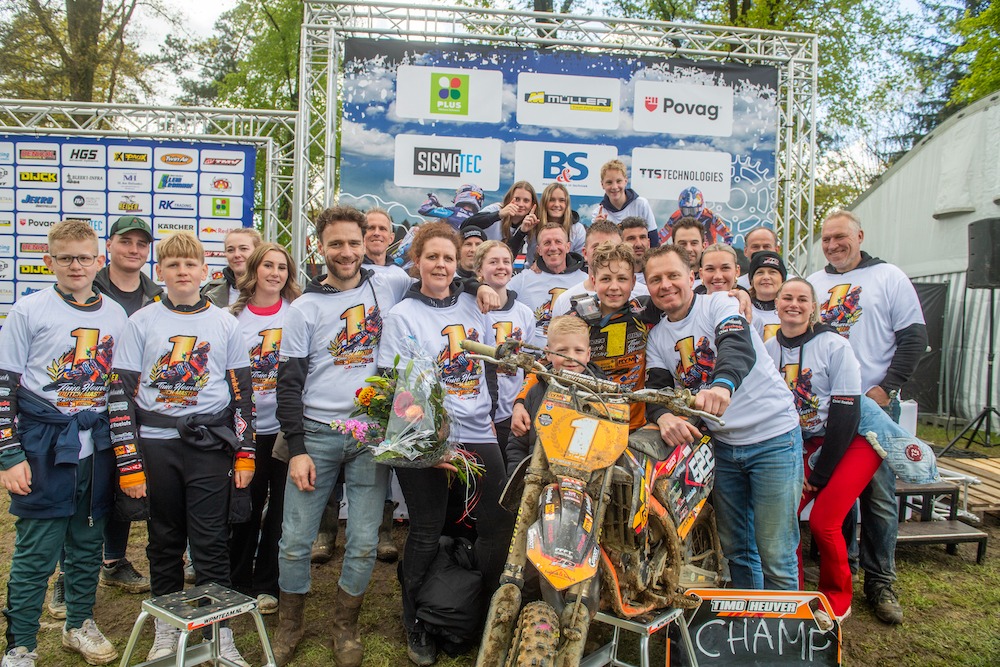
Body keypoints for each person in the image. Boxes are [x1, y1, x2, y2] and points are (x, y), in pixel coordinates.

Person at [272, 205, 412, 667]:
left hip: (369, 433)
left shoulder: (388, 284)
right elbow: (288, 384)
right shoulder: (304, 308)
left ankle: (344, 626)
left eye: (354, 242)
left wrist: (479, 287)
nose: (347, 251)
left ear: (367, 244)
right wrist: (296, 450)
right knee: (296, 540)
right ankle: (290, 624)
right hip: (317, 434)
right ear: (321, 247)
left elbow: (441, 280)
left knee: (365, 540)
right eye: (336, 244)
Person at [110, 232, 255, 666]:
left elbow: (242, 395)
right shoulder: (142, 322)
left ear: (204, 271)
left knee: (211, 542)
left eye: (190, 264)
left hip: (209, 445)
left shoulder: (225, 323)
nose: (182, 272)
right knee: (164, 539)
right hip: (157, 446)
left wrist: (245, 452)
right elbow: (121, 396)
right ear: (160, 272)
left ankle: (219, 633)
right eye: (173, 265)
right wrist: (129, 462)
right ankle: (166, 627)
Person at [379, 223, 512, 666]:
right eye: (432, 257)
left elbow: (487, 365)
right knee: (426, 527)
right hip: (423, 437)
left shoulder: (475, 302)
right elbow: (393, 386)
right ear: (416, 261)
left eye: (448, 258)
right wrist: (429, 447)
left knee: (497, 521)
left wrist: (489, 412)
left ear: (459, 264)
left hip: (476, 430)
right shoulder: (402, 315)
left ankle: (485, 610)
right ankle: (416, 621)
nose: (440, 265)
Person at [0, 220, 127, 667]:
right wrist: (9, 454)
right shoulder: (29, 311)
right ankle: (21, 644)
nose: (76, 266)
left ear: (99, 260)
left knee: (88, 543)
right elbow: (4, 386)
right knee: (37, 550)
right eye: (66, 258)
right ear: (48, 261)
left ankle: (79, 623)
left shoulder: (116, 314)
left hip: (96, 448)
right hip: (44, 446)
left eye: (84, 257)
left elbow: (118, 386)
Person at [643, 244, 802, 591]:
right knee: (737, 548)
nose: (665, 284)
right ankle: (749, 619)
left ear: (692, 277)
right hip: (724, 447)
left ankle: (783, 624)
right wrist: (663, 416)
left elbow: (736, 344)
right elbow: (656, 387)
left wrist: (723, 384)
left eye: (673, 275)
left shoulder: (719, 303)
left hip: (773, 437)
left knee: (775, 550)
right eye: (655, 279)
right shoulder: (657, 337)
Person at [807, 209, 927, 625]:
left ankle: (881, 581)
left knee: (878, 496)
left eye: (840, 236)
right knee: (835, 495)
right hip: (828, 410)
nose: (833, 245)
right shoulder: (815, 283)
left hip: (873, 404)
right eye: (826, 239)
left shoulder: (889, 277)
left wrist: (886, 387)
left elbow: (914, 337)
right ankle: (844, 569)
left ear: (859, 236)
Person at [766, 278, 882, 626]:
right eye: (787, 297)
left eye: (803, 299)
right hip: (806, 442)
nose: (794, 304)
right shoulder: (769, 348)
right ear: (776, 304)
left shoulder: (834, 345)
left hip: (853, 440)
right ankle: (793, 594)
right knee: (782, 517)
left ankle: (836, 600)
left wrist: (819, 475)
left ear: (813, 307)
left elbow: (847, 413)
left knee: (824, 521)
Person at [228, 243, 302, 616]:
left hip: (286, 429)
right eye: (268, 266)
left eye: (282, 268)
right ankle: (237, 580)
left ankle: (267, 584)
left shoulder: (297, 313)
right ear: (254, 269)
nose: (275, 273)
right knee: (246, 504)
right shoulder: (231, 317)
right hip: (247, 431)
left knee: (281, 512)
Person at [90, 216, 161, 599]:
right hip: (91, 405)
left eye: (141, 243)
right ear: (109, 245)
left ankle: (113, 561)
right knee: (91, 492)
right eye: (126, 241)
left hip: (137, 406)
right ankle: (69, 574)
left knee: (128, 484)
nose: (134, 249)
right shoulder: (89, 285)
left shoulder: (157, 295)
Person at [505, 315, 598, 474]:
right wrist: (516, 479)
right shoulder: (536, 391)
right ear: (548, 353)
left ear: (588, 354)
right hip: (536, 476)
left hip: (585, 477)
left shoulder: (601, 394)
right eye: (562, 351)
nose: (571, 358)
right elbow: (517, 444)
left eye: (578, 350)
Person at [474, 240, 536, 455]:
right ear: (479, 270)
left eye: (506, 261)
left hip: (513, 414)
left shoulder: (524, 313)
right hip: (480, 414)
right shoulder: (471, 310)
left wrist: (524, 404)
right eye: (493, 262)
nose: (501, 267)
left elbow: (529, 368)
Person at [508, 223, 587, 349]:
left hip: (573, 354)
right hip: (533, 356)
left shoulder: (585, 280)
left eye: (558, 242)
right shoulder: (523, 280)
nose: (553, 248)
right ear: (539, 250)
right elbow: (497, 296)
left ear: (568, 247)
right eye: (547, 243)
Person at [550, 220, 636, 318]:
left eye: (612, 247)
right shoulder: (564, 301)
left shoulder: (643, 297)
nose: (604, 252)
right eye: (597, 247)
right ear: (585, 253)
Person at [592, 159, 659, 247]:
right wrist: (598, 230)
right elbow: (596, 249)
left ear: (625, 181)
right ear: (602, 184)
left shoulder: (641, 204)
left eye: (618, 181)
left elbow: (653, 241)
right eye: (609, 182)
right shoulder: (598, 213)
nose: (614, 187)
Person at [202, 228, 263, 307]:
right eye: (230, 250)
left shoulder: (271, 289)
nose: (236, 255)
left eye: (243, 249)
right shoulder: (210, 290)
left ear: (258, 252)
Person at [662, 186, 733, 245]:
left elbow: (727, 234)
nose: (689, 215)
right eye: (686, 211)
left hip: (707, 253)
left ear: (700, 208)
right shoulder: (675, 217)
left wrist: (722, 250)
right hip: (683, 253)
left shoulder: (710, 216)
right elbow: (661, 236)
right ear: (681, 209)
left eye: (693, 211)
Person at [536, 183, 585, 254]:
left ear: (567, 204)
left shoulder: (577, 229)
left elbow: (580, 258)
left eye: (561, 200)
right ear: (544, 202)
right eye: (551, 200)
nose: (556, 204)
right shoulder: (534, 226)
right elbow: (531, 257)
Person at [748, 251, 786, 342]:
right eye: (760, 272)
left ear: (782, 280)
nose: (766, 277)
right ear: (752, 280)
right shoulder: (743, 309)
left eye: (772, 272)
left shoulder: (791, 310)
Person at [418, 184, 484, 231]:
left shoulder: (453, 211)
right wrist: (439, 205)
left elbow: (423, 209)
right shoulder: (478, 219)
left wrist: (432, 199)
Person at [363, 208, 405, 273]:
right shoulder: (351, 271)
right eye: (371, 228)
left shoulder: (400, 274)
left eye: (382, 229)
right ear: (362, 235)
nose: (376, 233)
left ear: (391, 238)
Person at [670, 217, 708, 286]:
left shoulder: (713, 279)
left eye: (694, 243)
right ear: (673, 246)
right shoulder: (664, 280)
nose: (688, 249)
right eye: (682, 244)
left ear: (703, 246)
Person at [620, 216, 651, 280]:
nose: (638, 244)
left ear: (648, 243)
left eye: (642, 237)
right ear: (621, 244)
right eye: (631, 238)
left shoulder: (660, 274)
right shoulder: (614, 278)